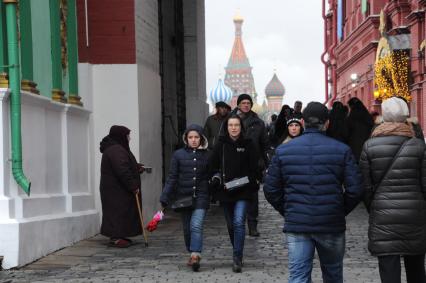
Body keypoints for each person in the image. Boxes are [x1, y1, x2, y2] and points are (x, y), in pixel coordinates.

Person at [264, 102, 364, 283]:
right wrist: (339, 210)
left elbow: (270, 189)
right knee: (333, 274)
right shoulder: (342, 150)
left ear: (302, 122)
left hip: (298, 224)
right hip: (331, 223)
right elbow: (355, 189)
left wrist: (289, 210)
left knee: (298, 277)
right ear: (327, 123)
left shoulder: (284, 150)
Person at [359, 97, 426, 283]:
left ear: (383, 117)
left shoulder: (369, 146)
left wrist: (374, 206)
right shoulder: (419, 146)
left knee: (389, 270)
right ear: (406, 116)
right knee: (417, 269)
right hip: (414, 215)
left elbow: (364, 187)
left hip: (383, 215)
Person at [208, 114, 259, 273]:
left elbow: (254, 170)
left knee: (238, 222)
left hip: (243, 190)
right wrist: (215, 179)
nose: (234, 128)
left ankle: (237, 256)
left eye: (236, 125)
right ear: (226, 127)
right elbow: (212, 165)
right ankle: (237, 248)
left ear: (241, 127)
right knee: (231, 225)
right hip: (225, 192)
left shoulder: (249, 144)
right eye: (231, 125)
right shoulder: (221, 144)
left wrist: (242, 182)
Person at [159, 124, 210, 272]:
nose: (193, 140)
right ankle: (191, 250)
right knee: (187, 230)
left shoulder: (208, 155)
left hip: (201, 196)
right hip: (183, 197)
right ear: (186, 139)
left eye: (196, 137)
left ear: (201, 138)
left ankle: (195, 255)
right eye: (190, 137)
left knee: (196, 225)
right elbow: (172, 177)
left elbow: (213, 172)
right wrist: (165, 197)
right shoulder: (178, 155)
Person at [99, 125, 145, 248]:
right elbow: (122, 170)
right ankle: (115, 238)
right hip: (116, 190)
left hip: (118, 189)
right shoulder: (116, 150)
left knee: (122, 212)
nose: (129, 138)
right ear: (121, 136)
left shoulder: (118, 149)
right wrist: (133, 186)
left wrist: (136, 168)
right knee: (117, 212)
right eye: (127, 136)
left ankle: (120, 234)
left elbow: (125, 165)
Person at [236, 94, 269, 237]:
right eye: (243, 103)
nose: (246, 105)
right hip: (235, 164)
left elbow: (265, 144)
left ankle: (252, 224)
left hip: (253, 165)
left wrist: (264, 162)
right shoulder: (231, 121)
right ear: (238, 105)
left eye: (248, 103)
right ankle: (238, 223)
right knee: (235, 192)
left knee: (252, 196)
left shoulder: (258, 123)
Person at [345, 97, 374, 161]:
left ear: (351, 106)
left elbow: (346, 134)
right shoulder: (368, 117)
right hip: (368, 148)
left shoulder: (350, 119)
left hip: (354, 149)